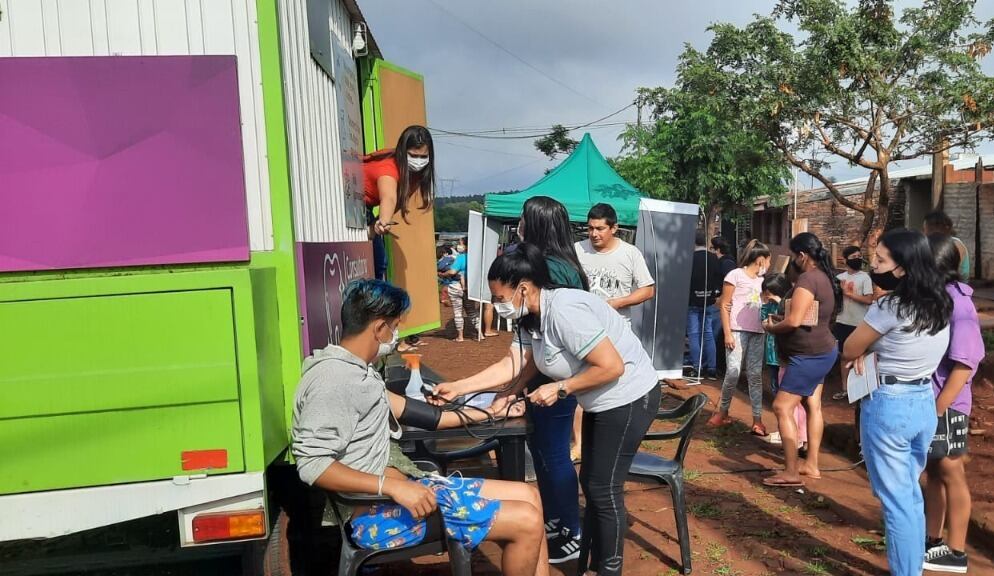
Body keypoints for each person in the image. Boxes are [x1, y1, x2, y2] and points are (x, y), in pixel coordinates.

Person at [291, 279, 548, 575]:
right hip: (374, 516)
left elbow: (429, 417)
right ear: (379, 328)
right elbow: (313, 465)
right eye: (396, 326)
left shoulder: (358, 371)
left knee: (529, 495)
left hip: (405, 491)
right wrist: (393, 487)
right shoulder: (333, 381)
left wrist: (490, 411)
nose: (397, 335)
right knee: (526, 520)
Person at [431, 196, 589, 563]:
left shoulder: (553, 273)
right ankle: (553, 520)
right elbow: (527, 354)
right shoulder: (557, 266)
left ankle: (570, 530)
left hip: (558, 381)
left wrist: (470, 386)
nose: (518, 226)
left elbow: (527, 355)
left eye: (522, 220)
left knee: (553, 454)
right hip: (544, 376)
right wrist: (508, 388)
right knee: (545, 453)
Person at [487, 244, 660, 576]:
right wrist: (508, 393)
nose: (498, 305)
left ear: (523, 288)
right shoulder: (535, 315)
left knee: (603, 487)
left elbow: (612, 367)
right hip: (602, 400)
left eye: (500, 298)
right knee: (592, 480)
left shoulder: (565, 311)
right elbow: (535, 363)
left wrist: (560, 388)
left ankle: (608, 569)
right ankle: (591, 563)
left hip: (628, 397)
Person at [841, 228, 951, 576]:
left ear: (902, 267)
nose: (872, 264)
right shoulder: (941, 302)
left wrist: (867, 352)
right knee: (909, 496)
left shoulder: (891, 305)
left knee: (897, 502)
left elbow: (849, 348)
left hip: (889, 404)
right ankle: (911, 565)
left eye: (880, 260)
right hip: (922, 402)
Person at [923, 234, 984, 574]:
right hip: (934, 400)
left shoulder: (959, 304)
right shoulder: (937, 297)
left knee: (950, 470)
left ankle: (956, 550)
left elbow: (965, 363)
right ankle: (933, 540)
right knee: (935, 470)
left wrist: (938, 408)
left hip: (947, 403)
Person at [762, 233, 840, 487]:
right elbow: (809, 315)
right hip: (822, 350)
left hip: (809, 355)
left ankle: (791, 471)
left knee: (782, 407)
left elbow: (794, 321)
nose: (793, 261)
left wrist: (772, 327)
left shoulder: (808, 279)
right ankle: (811, 464)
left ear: (802, 256)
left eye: (794, 256)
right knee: (812, 405)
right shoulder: (825, 277)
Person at [708, 240, 771, 433]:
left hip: (758, 333)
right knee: (733, 372)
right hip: (736, 331)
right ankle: (722, 411)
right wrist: (727, 333)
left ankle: (757, 420)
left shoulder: (764, 281)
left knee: (754, 375)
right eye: (768, 259)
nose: (769, 263)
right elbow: (725, 305)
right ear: (760, 259)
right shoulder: (735, 275)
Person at [363, 125, 436, 280]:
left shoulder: (416, 174)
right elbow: (389, 197)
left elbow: (397, 200)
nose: (418, 162)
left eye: (423, 157)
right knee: (379, 263)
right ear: (403, 152)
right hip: (353, 202)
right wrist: (383, 221)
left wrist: (379, 224)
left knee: (380, 263)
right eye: (413, 156)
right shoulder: (388, 169)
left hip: (367, 209)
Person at [574, 203, 655, 322]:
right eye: (590, 228)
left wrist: (619, 303)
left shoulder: (630, 253)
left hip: (617, 326)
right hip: (583, 324)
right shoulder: (577, 249)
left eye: (600, 229)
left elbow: (648, 290)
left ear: (614, 228)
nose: (594, 234)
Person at [761, 273, 809, 450]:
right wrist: (769, 304)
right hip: (775, 358)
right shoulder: (768, 306)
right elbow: (763, 320)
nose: (768, 296)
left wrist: (780, 303)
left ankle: (796, 435)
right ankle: (789, 432)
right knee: (779, 395)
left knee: (790, 400)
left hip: (786, 358)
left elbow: (787, 324)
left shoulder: (790, 307)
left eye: (770, 293)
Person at [831, 245, 874, 400]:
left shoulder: (865, 277)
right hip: (842, 320)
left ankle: (861, 391)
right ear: (845, 259)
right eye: (854, 257)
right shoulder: (840, 278)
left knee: (860, 356)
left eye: (859, 256)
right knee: (843, 356)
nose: (858, 259)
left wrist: (848, 293)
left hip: (859, 323)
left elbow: (869, 299)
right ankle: (845, 389)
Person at [686, 230, 722, 379]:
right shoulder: (714, 258)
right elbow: (719, 279)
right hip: (709, 300)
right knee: (708, 334)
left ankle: (697, 367)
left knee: (694, 334)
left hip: (693, 301)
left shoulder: (689, 258)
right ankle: (712, 369)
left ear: (693, 242)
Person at [439, 237, 480, 342]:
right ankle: (480, 333)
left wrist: (443, 274)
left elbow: (452, 272)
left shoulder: (461, 258)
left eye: (460, 243)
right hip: (470, 286)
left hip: (456, 286)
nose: (459, 245)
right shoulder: (476, 258)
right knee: (472, 311)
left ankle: (460, 336)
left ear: (465, 246)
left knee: (458, 312)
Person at [711, 236, 738, 374]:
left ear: (718, 249)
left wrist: (721, 299)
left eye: (712, 248)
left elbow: (730, 286)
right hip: (720, 302)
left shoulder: (727, 263)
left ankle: (720, 365)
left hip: (722, 303)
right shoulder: (725, 262)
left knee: (718, 334)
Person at [923, 210, 971, 280]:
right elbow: (965, 274)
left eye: (924, 229)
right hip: (956, 286)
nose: (923, 232)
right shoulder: (958, 244)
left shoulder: (924, 243)